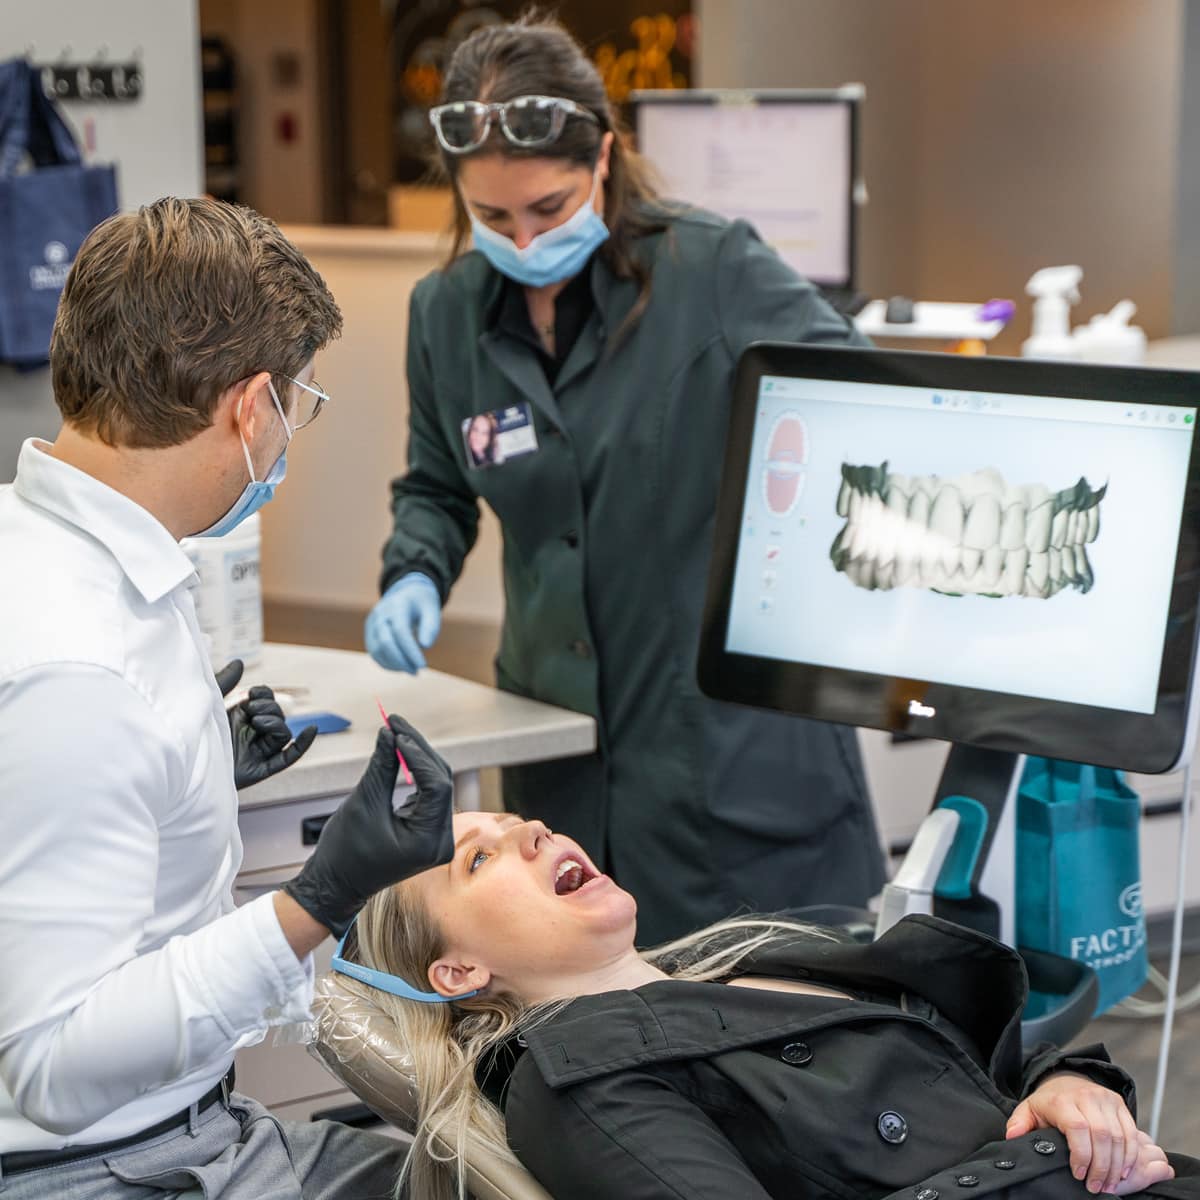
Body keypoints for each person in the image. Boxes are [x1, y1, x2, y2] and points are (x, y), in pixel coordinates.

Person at [364, 14, 885, 946]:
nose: (523, 239)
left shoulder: (713, 268)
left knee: (772, 1043)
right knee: (594, 1046)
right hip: (564, 754)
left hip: (729, 756)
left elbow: (860, 400)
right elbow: (439, 484)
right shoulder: (444, 314)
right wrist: (414, 571)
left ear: (604, 156)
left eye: (550, 209)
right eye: (493, 218)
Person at [0, 198, 456, 1198]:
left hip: (185, 1126)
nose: (289, 432)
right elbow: (49, 1069)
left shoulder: (57, 550)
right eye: (297, 403)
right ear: (251, 407)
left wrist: (190, 780)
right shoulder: (81, 668)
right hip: (96, 1166)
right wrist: (318, 900)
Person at [336, 810, 1199, 1200]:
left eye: (519, 822)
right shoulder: (577, 1082)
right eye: (478, 862)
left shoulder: (740, 956)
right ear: (457, 973)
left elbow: (975, 1064)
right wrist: (1047, 1166)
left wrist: (1072, 1088)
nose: (530, 834)